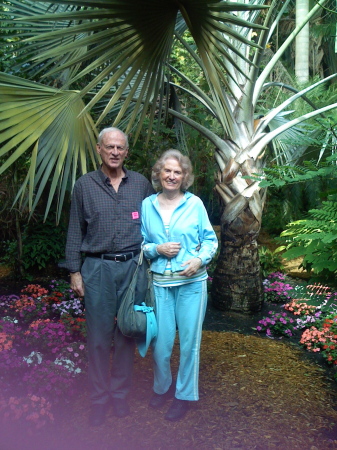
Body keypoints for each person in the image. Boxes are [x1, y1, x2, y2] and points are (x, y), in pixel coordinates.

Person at [61, 127, 154, 427]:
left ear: (127, 152)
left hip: (132, 268)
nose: (115, 152)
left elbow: (155, 224)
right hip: (97, 269)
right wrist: (75, 271)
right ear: (99, 149)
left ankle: (120, 395)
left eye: (120, 148)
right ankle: (99, 400)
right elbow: (76, 229)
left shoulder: (140, 184)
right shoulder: (84, 186)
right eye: (109, 147)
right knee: (100, 338)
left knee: (126, 333)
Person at [141, 149, 218, 421]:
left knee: (189, 344)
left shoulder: (194, 204)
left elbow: (210, 241)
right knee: (160, 345)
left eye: (178, 172)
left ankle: (183, 395)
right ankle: (162, 388)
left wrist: (199, 260)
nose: (172, 176)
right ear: (158, 174)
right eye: (167, 171)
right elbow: (140, 245)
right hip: (160, 285)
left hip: (192, 285)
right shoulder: (147, 205)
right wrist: (156, 248)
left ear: (184, 176)